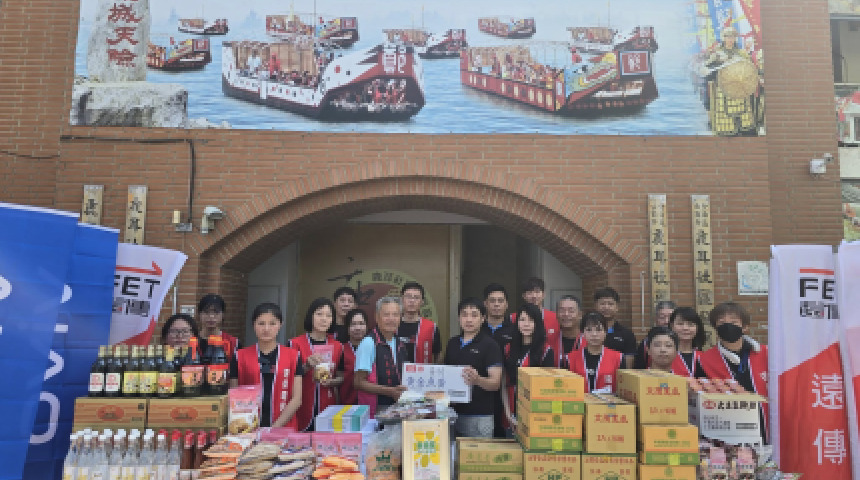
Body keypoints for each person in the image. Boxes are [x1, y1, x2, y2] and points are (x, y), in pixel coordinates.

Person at [698, 302, 769, 442]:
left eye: (734, 322)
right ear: (715, 328)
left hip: (765, 424)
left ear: (745, 327)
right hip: (728, 429)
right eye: (721, 322)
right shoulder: (705, 360)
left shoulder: (765, 353)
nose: (727, 326)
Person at [230, 303, 303, 428]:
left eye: (272, 323)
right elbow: (234, 396)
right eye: (261, 323)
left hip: (284, 428)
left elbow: (297, 399)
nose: (266, 329)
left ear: (280, 324)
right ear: (253, 325)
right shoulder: (239, 356)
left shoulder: (294, 356)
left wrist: (274, 428)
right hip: (248, 427)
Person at [444, 298, 503, 438]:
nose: (469, 319)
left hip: (478, 417)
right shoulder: (452, 343)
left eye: (474, 315)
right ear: (459, 318)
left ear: (483, 318)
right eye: (464, 315)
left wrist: (477, 380)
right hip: (451, 414)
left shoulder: (490, 345)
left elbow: (495, 383)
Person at [290, 298, 345, 431]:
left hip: (328, 406)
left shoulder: (338, 346)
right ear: (311, 316)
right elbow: (287, 377)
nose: (324, 319)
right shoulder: (295, 344)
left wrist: (332, 382)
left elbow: (341, 376)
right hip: (301, 406)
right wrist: (306, 366)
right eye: (319, 314)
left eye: (328, 315)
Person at [501, 303, 554, 435]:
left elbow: (547, 388)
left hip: (535, 415)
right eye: (522, 319)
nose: (526, 324)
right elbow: (504, 383)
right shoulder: (507, 348)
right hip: (510, 414)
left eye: (531, 320)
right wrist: (508, 414)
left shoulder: (546, 351)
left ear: (537, 323)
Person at [354, 297, 408, 417]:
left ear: (400, 318)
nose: (391, 319)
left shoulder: (400, 343)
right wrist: (390, 391)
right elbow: (358, 382)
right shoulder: (369, 343)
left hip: (397, 409)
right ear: (377, 317)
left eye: (395, 315)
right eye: (386, 314)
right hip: (375, 411)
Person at [480, 282, 517, 439]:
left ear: (506, 304)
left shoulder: (515, 331)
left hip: (507, 393)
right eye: (492, 301)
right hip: (481, 390)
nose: (496, 304)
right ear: (485, 304)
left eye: (500, 301)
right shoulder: (477, 329)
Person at [566, 311, 623, 393]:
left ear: (605, 332)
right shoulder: (570, 358)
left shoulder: (618, 358)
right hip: (580, 401)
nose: (594, 334)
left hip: (608, 401)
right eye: (589, 330)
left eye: (599, 330)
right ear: (582, 333)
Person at [512, 277, 560, 364]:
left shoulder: (555, 318)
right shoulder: (513, 318)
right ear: (523, 296)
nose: (534, 296)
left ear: (544, 294)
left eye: (537, 292)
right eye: (530, 292)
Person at [397, 282, 441, 364]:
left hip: (421, 371)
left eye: (416, 297)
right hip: (395, 371)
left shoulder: (431, 327)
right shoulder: (393, 325)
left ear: (422, 302)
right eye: (408, 297)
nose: (412, 301)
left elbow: (438, 354)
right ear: (402, 299)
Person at [593, 287, 637, 365]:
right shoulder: (587, 332)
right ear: (595, 306)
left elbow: (628, 366)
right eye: (602, 304)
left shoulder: (627, 335)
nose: (606, 307)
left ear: (617, 307)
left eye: (610, 304)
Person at [633, 300, 676, 369]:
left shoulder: (685, 340)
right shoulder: (646, 343)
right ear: (656, 319)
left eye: (670, 317)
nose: (666, 321)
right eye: (662, 317)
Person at [197, 294, 241, 359]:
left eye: (216, 312)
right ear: (199, 314)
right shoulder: (191, 341)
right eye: (206, 312)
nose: (211, 316)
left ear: (223, 315)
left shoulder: (233, 343)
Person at [340, 308, 368, 405]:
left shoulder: (374, 348)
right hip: (346, 404)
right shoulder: (341, 349)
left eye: (361, 323)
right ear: (347, 328)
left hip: (369, 403)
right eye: (353, 324)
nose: (358, 328)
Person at [668, 307, 706, 377]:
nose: (685, 328)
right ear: (672, 326)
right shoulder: (664, 355)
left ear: (697, 328)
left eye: (690, 324)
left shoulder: (704, 357)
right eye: (680, 324)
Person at [556, 295, 583, 366]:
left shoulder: (589, 341)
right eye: (562, 310)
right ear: (556, 315)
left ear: (580, 315)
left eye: (571, 311)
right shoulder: (549, 341)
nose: (566, 314)